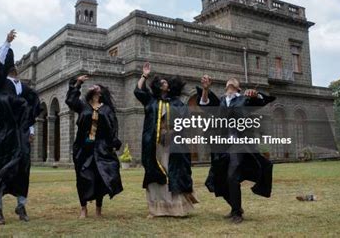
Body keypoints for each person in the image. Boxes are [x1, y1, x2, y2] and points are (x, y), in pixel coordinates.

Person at [197, 75, 275, 224]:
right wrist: (206, 89)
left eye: (234, 81)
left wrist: (255, 94)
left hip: (239, 145)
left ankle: (237, 213)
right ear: (226, 87)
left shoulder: (244, 100)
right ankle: (235, 207)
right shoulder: (221, 101)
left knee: (232, 176)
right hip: (223, 146)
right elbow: (205, 104)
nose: (231, 81)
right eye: (229, 81)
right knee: (216, 180)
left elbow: (261, 100)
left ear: (239, 88)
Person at [0, 30, 42, 225]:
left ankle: (21, 205)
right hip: (3, 134)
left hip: (21, 135)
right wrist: (7, 43)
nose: (13, 66)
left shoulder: (25, 88)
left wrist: (31, 130)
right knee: (0, 168)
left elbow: (32, 109)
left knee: (23, 168)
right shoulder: (0, 83)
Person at [134, 62, 198, 218]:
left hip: (173, 145)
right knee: (156, 173)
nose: (163, 83)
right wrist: (144, 75)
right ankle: (156, 209)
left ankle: (177, 208)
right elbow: (137, 91)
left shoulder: (177, 103)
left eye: (165, 82)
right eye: (161, 82)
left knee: (172, 172)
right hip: (154, 145)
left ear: (168, 88)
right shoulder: (151, 101)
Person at [65, 75, 123, 219]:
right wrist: (78, 83)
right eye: (93, 86)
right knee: (83, 177)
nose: (94, 87)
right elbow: (70, 101)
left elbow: (113, 127)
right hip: (83, 147)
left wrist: (114, 143)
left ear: (101, 92)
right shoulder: (83, 106)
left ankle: (98, 209)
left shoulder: (107, 109)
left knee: (100, 177)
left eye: (97, 86)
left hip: (101, 148)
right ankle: (83, 208)